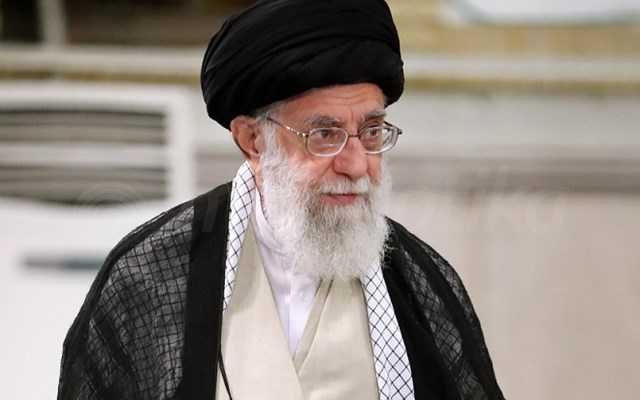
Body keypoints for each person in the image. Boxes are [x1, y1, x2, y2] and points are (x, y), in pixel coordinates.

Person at [57, 1, 504, 399]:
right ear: (253, 141)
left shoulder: (420, 285)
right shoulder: (152, 277)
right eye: (324, 134)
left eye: (371, 131)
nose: (356, 164)